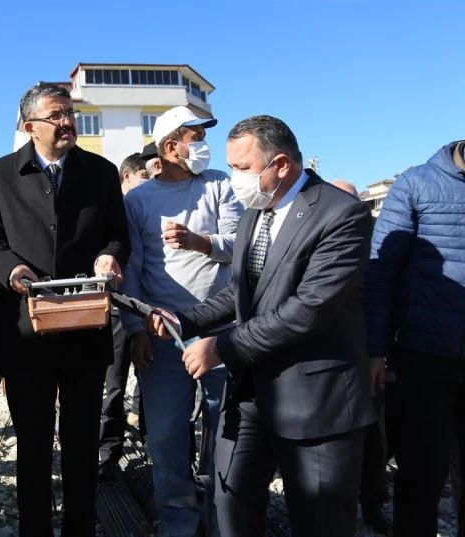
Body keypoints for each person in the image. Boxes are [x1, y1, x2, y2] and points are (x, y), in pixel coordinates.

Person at [148, 115, 375, 537]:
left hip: (315, 400)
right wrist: (186, 319)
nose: (235, 178)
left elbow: (307, 310)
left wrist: (220, 348)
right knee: (229, 505)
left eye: (243, 168)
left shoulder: (341, 215)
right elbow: (240, 292)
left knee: (320, 521)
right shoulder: (256, 212)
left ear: (281, 164)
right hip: (252, 392)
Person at [0, 82, 129, 537]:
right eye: (56, 115)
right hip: (27, 335)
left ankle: (80, 528)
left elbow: (118, 234)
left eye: (69, 114)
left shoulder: (100, 172)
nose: (67, 123)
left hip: (86, 327)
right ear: (30, 127)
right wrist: (11, 268)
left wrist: (110, 256)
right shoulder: (1, 174)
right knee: (34, 445)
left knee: (81, 444)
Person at [122, 106, 241, 537]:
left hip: (221, 331)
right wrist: (136, 329)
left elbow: (239, 246)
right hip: (163, 334)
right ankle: (179, 520)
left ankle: (220, 515)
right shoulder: (138, 200)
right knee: (166, 435)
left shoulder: (219, 184)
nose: (205, 146)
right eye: (196, 138)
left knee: (224, 430)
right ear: (171, 147)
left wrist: (199, 242)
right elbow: (132, 268)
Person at [365, 140, 465, 537]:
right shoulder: (416, 184)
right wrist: (374, 351)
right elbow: (381, 272)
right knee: (421, 477)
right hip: (424, 358)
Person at [330, 179, 391, 535]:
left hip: (366, 351)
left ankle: (372, 501)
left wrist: (378, 352)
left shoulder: (373, 245)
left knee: (372, 433)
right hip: (325, 355)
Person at [98, 152, 149, 481]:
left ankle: (150, 440)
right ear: (127, 176)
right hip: (117, 310)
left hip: (147, 309)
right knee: (113, 385)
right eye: (144, 173)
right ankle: (109, 451)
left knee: (149, 382)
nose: (149, 179)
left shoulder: (151, 206)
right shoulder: (112, 209)